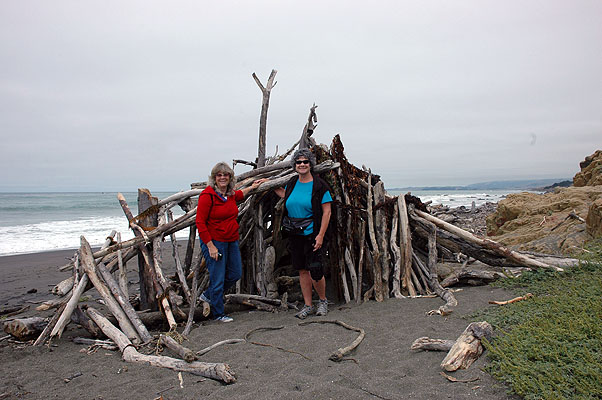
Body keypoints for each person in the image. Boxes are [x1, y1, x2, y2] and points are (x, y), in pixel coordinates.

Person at [196, 162, 265, 322]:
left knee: (235, 274)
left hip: (231, 240)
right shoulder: (208, 195)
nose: (222, 177)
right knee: (218, 278)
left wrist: (253, 187)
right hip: (215, 242)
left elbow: (241, 195)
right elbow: (200, 222)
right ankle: (219, 314)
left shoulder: (230, 194)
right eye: (219, 175)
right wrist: (210, 246)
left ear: (230, 177)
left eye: (225, 175)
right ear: (214, 178)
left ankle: (207, 295)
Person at [274, 149, 333, 319]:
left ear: (310, 164)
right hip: (295, 233)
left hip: (312, 233)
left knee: (315, 269)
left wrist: (320, 235)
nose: (302, 164)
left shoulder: (320, 185)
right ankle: (308, 305)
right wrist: (270, 187)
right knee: (302, 270)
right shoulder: (292, 182)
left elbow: (327, 212)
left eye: (305, 162)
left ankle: (322, 301)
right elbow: (288, 197)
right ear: (295, 165)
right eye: (298, 162)